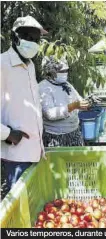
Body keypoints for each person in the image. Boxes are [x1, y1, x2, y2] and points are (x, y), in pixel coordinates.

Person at [1, 15, 48, 197]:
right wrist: (8, 134)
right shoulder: (2, 65)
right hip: (16, 155)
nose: (34, 43)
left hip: (35, 151)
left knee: (33, 204)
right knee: (21, 207)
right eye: (28, 37)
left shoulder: (30, 66)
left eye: (37, 40)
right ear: (14, 37)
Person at [39, 56, 90, 147]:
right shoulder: (43, 87)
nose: (65, 73)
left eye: (66, 70)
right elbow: (49, 114)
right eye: (61, 71)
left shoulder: (67, 85)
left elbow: (79, 102)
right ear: (51, 72)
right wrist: (73, 106)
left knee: (76, 161)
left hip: (74, 133)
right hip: (55, 136)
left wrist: (89, 101)